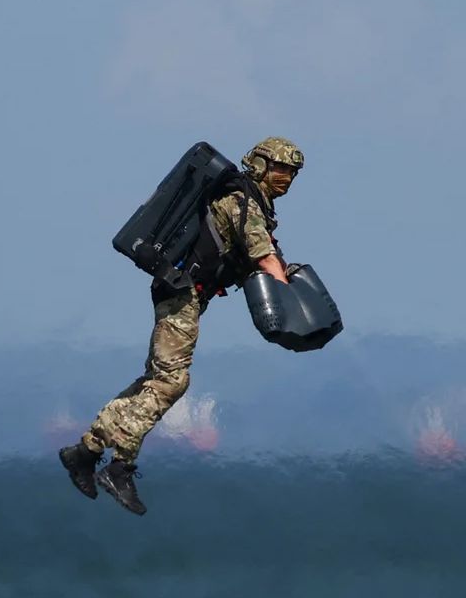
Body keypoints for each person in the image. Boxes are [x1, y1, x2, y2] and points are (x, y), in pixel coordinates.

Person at [60, 137, 304, 514]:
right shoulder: (244, 202)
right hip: (182, 293)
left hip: (186, 293)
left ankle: (85, 451)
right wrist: (296, 297)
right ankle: (119, 466)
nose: (285, 178)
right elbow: (264, 258)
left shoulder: (251, 202)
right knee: (171, 382)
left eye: (291, 172)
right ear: (259, 165)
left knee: (154, 380)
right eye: (279, 169)